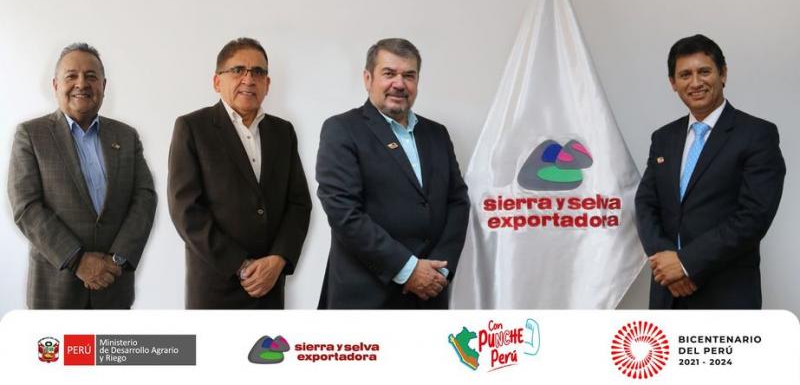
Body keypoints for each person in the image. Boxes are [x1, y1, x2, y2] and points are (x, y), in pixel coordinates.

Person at [316, 38, 470, 309]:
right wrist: (408, 269)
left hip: (429, 294)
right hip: (366, 298)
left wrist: (440, 271)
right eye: (389, 73)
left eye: (409, 75)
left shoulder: (437, 134)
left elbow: (457, 201)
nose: (399, 84)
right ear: (368, 78)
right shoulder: (342, 129)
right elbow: (343, 212)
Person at [635, 34, 785, 309]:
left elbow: (754, 217)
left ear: (723, 74)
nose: (695, 83)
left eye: (704, 71)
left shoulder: (757, 134)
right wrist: (667, 262)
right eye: (685, 75)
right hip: (667, 293)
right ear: (673, 83)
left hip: (726, 295)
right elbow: (646, 204)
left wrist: (685, 263)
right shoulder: (663, 138)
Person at [7, 43, 156, 309]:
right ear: (55, 85)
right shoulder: (31, 135)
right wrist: (77, 260)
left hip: (114, 287)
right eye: (71, 76)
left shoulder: (126, 136)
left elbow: (144, 198)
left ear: (104, 86)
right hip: (55, 291)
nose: (81, 83)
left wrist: (117, 259)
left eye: (91, 76)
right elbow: (26, 207)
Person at [168, 37, 311, 309]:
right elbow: (186, 211)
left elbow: (299, 204)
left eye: (258, 72)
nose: (249, 79)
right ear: (217, 81)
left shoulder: (283, 132)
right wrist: (241, 265)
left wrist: (279, 259)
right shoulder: (192, 127)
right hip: (216, 287)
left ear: (267, 84)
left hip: (270, 285)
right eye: (237, 70)